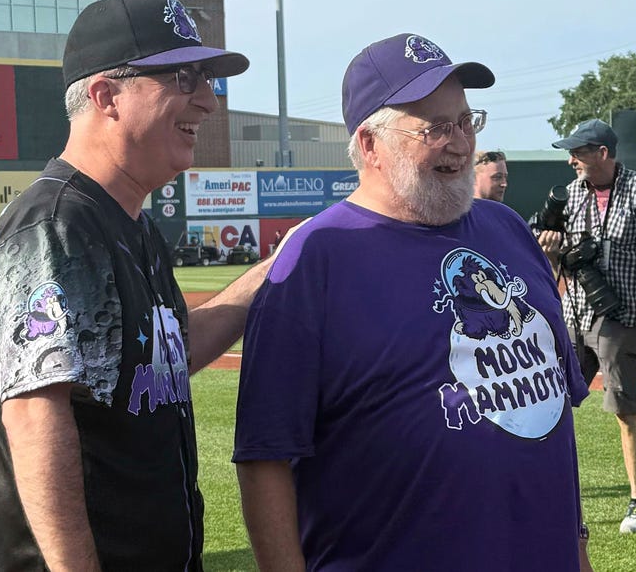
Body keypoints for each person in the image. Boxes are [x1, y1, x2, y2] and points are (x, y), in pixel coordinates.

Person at [233, 33, 592, 571]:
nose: (460, 143)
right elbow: (265, 456)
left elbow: (552, 422)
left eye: (467, 121)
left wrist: (578, 547)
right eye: (434, 128)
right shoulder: (318, 257)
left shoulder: (509, 230)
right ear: (371, 145)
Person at [0, 0, 279, 571]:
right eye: (184, 77)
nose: (208, 101)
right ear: (105, 95)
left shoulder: (132, 223)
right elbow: (37, 417)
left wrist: (275, 270)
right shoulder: (55, 225)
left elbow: (167, 353)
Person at [539, 119, 636, 534]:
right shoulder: (570, 196)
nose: (571, 160)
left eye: (578, 152)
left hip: (623, 319)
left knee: (625, 410)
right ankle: (549, 493)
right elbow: (554, 259)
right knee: (552, 406)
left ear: (602, 152)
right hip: (574, 315)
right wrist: (550, 249)